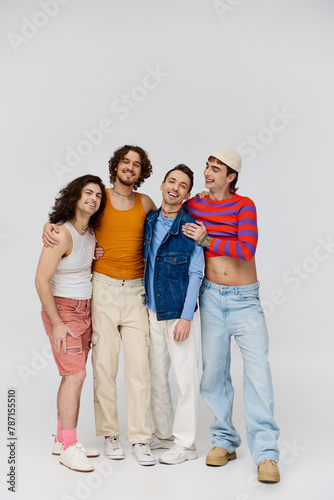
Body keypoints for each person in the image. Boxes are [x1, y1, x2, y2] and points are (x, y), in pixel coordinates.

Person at [43, 145, 157, 466]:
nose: (130, 168)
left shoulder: (146, 203)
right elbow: (72, 220)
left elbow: (169, 225)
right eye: (125, 162)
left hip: (136, 292)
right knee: (104, 367)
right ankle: (109, 435)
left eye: (137, 164)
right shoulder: (101, 200)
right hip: (102, 290)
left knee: (139, 368)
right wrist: (49, 226)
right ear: (116, 166)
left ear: (141, 171)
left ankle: (140, 439)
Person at [182, 148, 280, 483]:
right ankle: (225, 440)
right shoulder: (194, 205)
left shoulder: (244, 206)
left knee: (257, 375)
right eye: (207, 167)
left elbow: (245, 249)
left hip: (244, 300)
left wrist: (208, 238)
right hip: (210, 297)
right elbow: (165, 218)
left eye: (216, 169)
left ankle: (266, 454)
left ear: (231, 176)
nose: (208, 173)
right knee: (213, 374)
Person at [35, 174, 106, 472]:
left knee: (70, 375)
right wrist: (58, 323)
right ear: (76, 197)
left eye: (98, 195)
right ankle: (68, 447)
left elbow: (76, 264)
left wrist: (94, 254)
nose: (93, 198)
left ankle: (61, 438)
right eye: (87, 193)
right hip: (64, 311)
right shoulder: (61, 233)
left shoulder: (88, 233)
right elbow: (41, 280)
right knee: (76, 376)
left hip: (85, 309)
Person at [143, 165, 204, 465]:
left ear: (187, 194)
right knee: (157, 377)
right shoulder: (150, 220)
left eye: (183, 185)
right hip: (153, 311)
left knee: (186, 378)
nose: (176, 188)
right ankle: (164, 434)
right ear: (162, 185)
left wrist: (186, 317)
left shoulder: (191, 226)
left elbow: (196, 273)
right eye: (172, 181)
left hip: (179, 314)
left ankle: (185, 442)